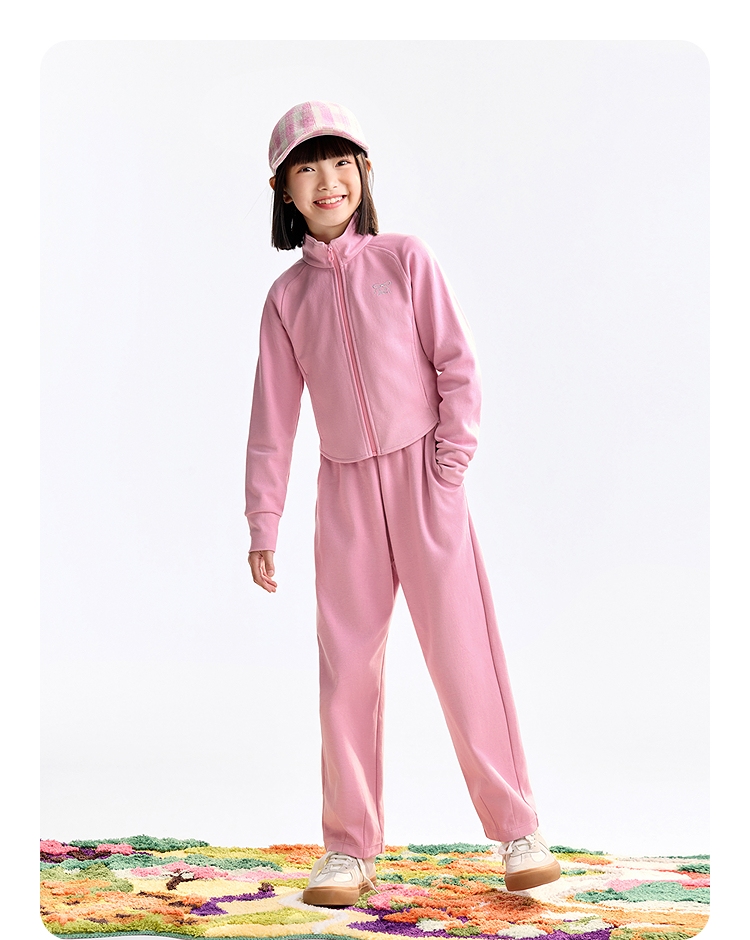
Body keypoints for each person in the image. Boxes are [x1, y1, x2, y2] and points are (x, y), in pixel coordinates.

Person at [245, 100, 561, 907]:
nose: (328, 180)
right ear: (284, 190)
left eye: (340, 162)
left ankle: (519, 829)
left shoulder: (405, 259)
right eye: (307, 167)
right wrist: (264, 520)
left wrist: (450, 462)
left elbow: (457, 364)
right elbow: (273, 420)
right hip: (345, 493)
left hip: (426, 479)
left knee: (464, 653)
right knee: (346, 670)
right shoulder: (286, 299)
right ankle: (348, 849)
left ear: (364, 173)